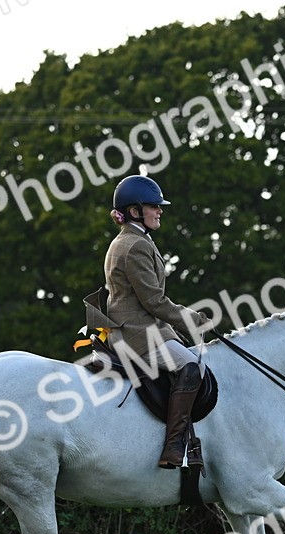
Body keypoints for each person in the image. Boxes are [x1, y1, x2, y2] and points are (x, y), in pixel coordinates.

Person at [91, 174, 212, 469]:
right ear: (135, 212)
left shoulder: (134, 240)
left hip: (140, 328)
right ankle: (174, 446)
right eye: (154, 207)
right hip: (138, 334)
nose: (160, 211)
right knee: (191, 367)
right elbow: (154, 301)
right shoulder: (135, 246)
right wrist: (193, 320)